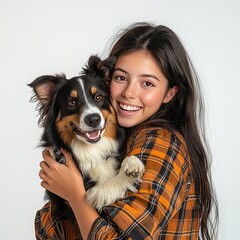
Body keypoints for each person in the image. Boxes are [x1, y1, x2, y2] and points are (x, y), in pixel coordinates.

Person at [35, 22, 218, 239]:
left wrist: (75, 195)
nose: (129, 93)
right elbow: (47, 228)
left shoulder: (160, 143)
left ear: (169, 93)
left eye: (147, 83)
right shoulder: (125, 143)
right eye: (121, 78)